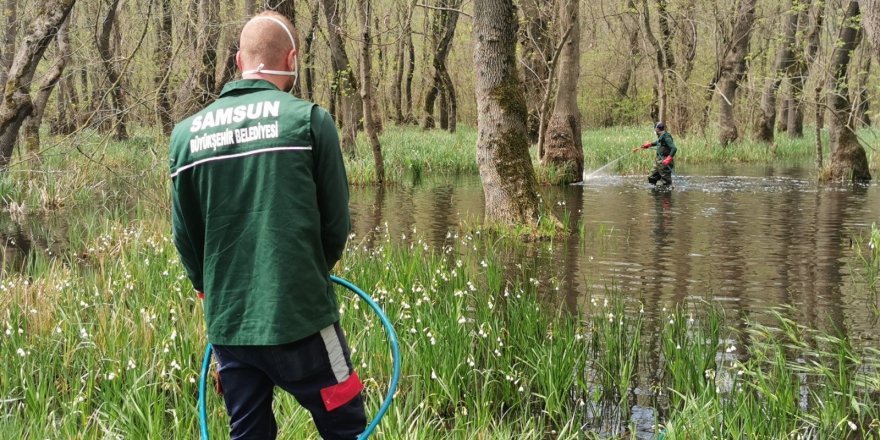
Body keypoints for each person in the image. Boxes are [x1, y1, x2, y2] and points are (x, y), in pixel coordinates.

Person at [169, 11, 366, 440]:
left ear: (239, 61)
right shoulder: (310, 121)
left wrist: (211, 288)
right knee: (347, 422)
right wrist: (309, 273)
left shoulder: (186, 137)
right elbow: (335, 227)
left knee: (249, 433)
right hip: (302, 320)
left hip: (230, 326)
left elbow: (186, 239)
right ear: (291, 59)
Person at [633, 122, 677, 187]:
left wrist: (668, 159)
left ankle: (666, 195)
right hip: (658, 162)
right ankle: (655, 194)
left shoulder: (666, 136)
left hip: (665, 162)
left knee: (666, 183)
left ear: (657, 129)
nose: (654, 130)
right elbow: (658, 142)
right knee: (651, 177)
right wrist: (649, 145)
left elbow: (674, 148)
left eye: (655, 129)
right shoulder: (661, 135)